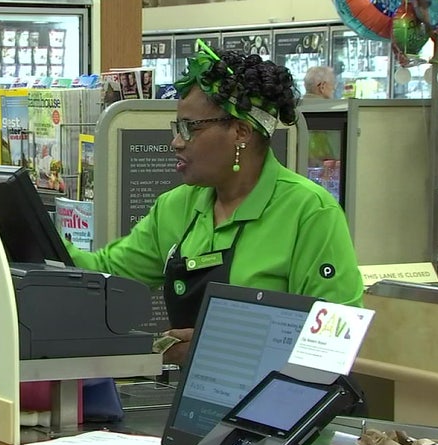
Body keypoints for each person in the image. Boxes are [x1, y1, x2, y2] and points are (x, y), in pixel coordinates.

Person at [65, 43, 362, 364]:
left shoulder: (308, 211)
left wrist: (221, 346)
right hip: (194, 401)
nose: (175, 142)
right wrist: (28, 240)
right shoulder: (176, 207)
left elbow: (337, 336)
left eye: (189, 128)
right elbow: (105, 277)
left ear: (241, 131)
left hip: (277, 405)